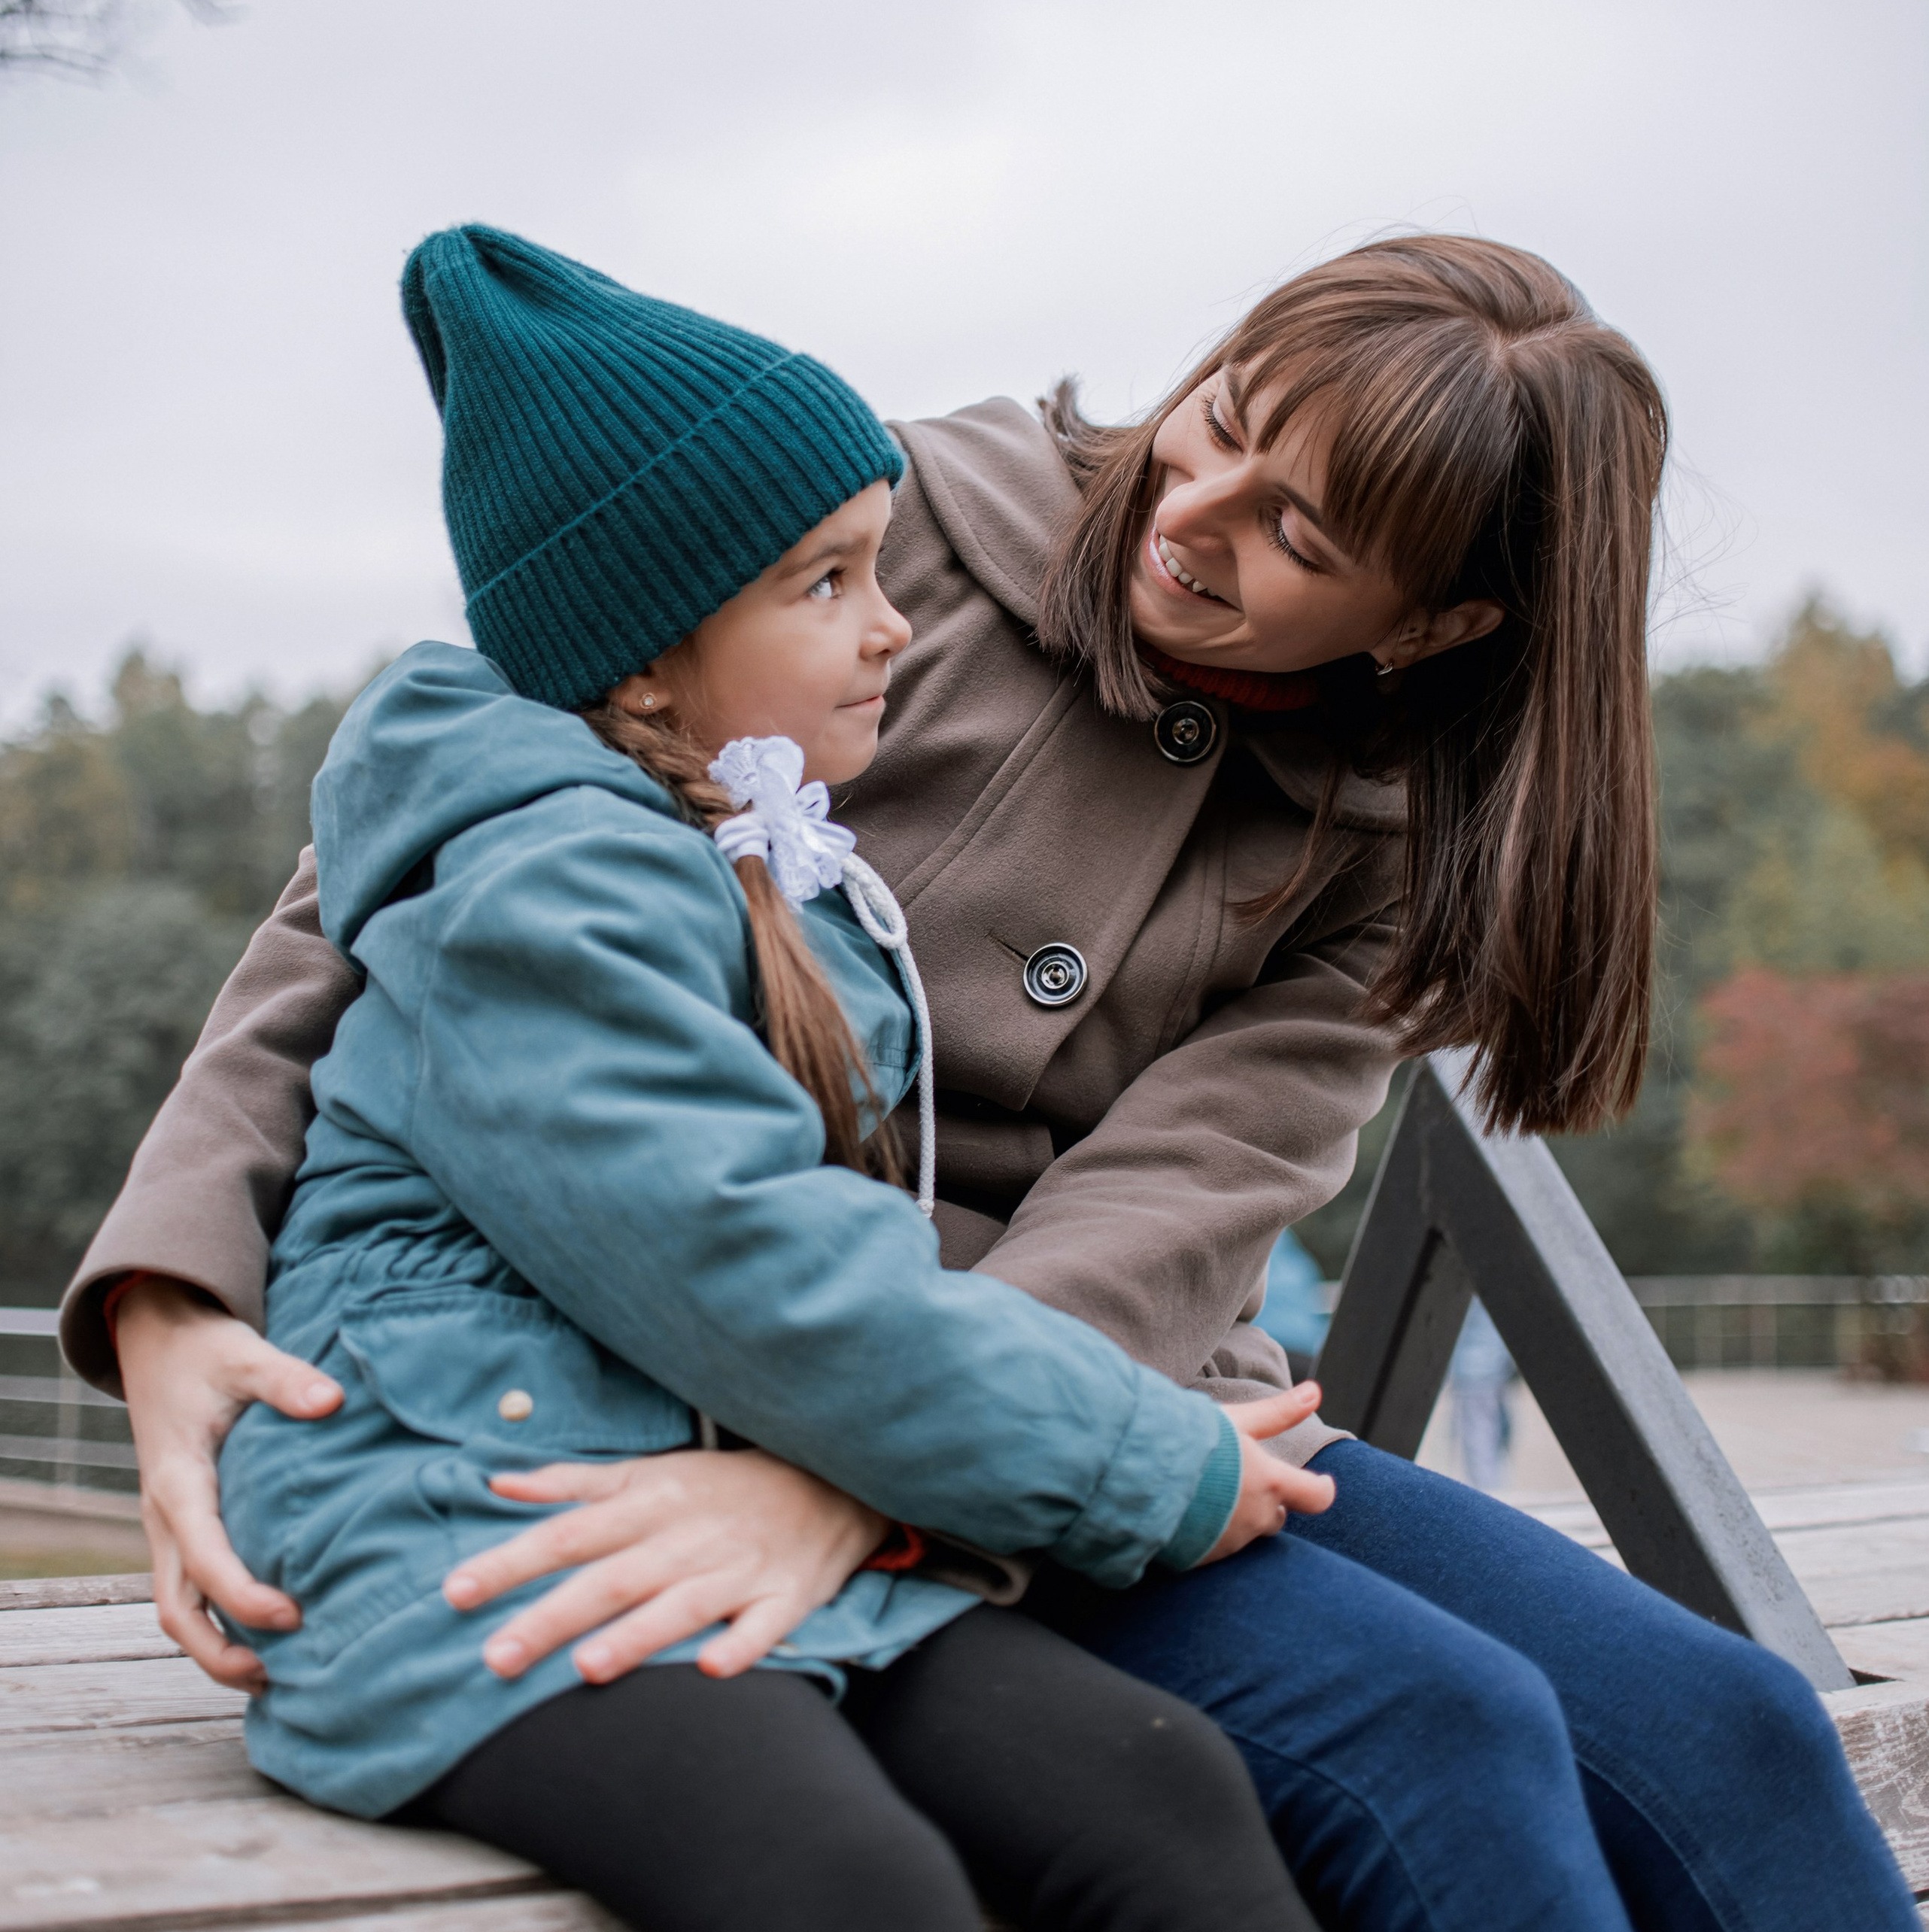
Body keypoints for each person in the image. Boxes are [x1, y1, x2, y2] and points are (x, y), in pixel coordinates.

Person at [69, 235, 1915, 1930]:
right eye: (1218, 424)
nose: (1193, 512)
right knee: (1439, 1738)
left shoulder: (1386, 846)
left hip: (1069, 1380)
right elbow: (389, 876)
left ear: (1429, 631)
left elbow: (1173, 1210)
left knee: (1733, 1736)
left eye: (1300, 535)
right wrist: (170, 1290)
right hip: (688, 1356)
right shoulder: (865, 528)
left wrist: (877, 1485)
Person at [198, 224, 1315, 1932]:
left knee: (1160, 1792)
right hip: (452, 1517)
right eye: (827, 584)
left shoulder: (743, 851)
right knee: (843, 1882)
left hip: (664, 1463)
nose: (894, 632)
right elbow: (761, 1269)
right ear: (644, 657)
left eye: (881, 569)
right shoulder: (548, 894)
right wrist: (1147, 1461)